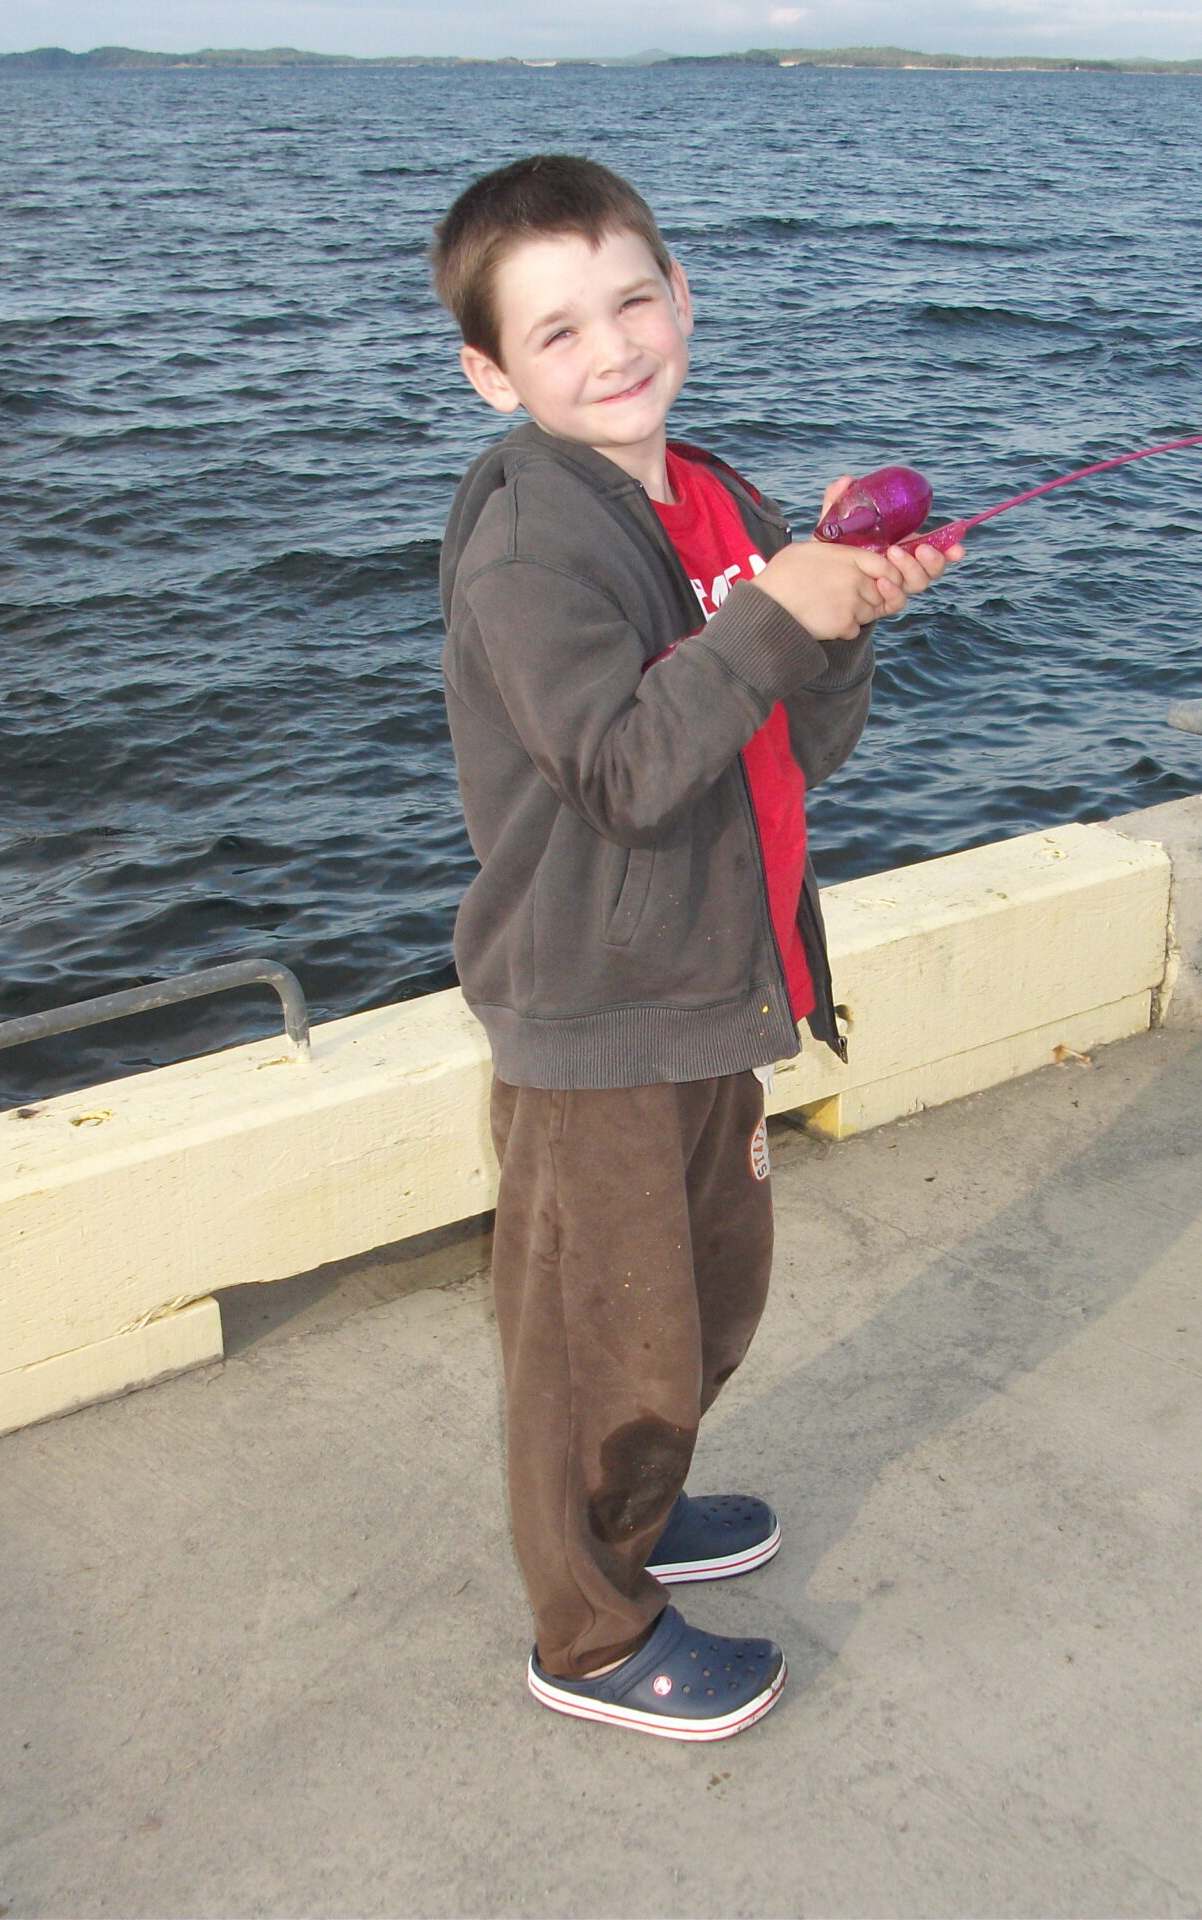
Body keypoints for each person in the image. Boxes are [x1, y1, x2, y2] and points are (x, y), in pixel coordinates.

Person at [430, 154, 958, 1740]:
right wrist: (773, 617)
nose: (610, 349)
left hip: (719, 986)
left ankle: (639, 1517)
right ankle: (587, 1630)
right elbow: (625, 767)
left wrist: (839, 619)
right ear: (491, 374)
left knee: (711, 1299)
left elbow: (794, 736)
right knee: (604, 1341)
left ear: (683, 296)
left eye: (633, 301)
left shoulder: (719, 498)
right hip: (598, 1009)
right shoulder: (533, 546)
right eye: (556, 331)